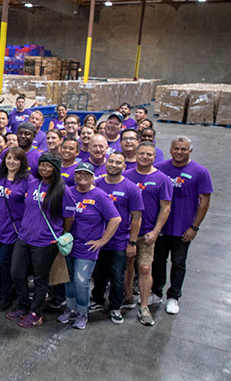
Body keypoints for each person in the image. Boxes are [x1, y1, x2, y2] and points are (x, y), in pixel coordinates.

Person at [7, 153, 73, 328]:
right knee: (16, 273)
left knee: (40, 279)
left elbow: (69, 217)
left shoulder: (63, 190)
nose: (44, 168)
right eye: (42, 165)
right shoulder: (33, 183)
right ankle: (23, 305)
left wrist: (61, 234)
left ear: (56, 169)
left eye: (48, 166)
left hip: (45, 242)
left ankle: (36, 313)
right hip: (24, 237)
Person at [153, 136, 212, 316]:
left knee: (178, 263)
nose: (179, 152)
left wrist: (194, 227)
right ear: (170, 150)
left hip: (183, 229)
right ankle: (156, 291)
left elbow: (204, 201)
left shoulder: (200, 172)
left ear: (190, 151)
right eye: (176, 149)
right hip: (162, 227)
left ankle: (174, 296)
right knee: (158, 261)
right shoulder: (160, 169)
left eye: (183, 149)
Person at [58, 163, 121, 330]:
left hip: (87, 248)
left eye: (86, 174)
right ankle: (70, 309)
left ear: (92, 177)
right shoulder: (69, 192)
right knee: (69, 279)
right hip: (69, 245)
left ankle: (82, 313)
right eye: (79, 173)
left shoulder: (99, 196)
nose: (82, 177)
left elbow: (115, 219)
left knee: (81, 281)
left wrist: (102, 241)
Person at [90, 152, 143, 324]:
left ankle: (115, 307)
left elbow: (136, 217)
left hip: (119, 242)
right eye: (111, 161)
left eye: (118, 163)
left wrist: (132, 242)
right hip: (97, 240)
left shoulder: (131, 189)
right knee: (98, 274)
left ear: (124, 166)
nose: (113, 165)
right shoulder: (96, 185)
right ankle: (97, 300)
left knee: (117, 277)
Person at [124, 141, 173, 326]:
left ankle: (144, 306)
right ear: (136, 154)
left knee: (144, 268)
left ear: (155, 157)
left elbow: (165, 208)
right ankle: (127, 296)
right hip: (127, 233)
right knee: (127, 266)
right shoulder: (126, 176)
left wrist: (155, 231)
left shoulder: (162, 179)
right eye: (142, 153)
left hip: (146, 235)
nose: (145, 157)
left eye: (149, 155)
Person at [0, 147, 29, 312]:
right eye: (9, 158)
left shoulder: (27, 180)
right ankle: (4, 291)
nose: (11, 161)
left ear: (22, 162)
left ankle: (6, 296)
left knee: (5, 262)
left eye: (16, 159)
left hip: (14, 230)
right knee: (1, 262)